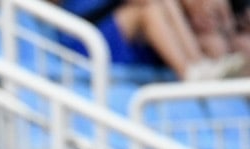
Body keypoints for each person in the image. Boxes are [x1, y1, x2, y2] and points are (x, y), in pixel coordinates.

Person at [56, 0, 245, 80]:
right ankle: (191, 71)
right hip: (84, 38)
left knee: (214, 42)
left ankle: (200, 67)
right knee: (148, 10)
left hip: (125, 34)